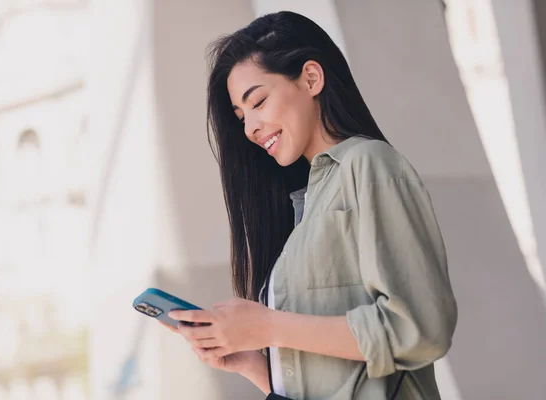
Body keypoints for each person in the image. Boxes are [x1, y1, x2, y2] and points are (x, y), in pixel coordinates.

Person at [162, 10, 458, 400]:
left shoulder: (369, 165)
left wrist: (269, 327)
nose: (250, 127)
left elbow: (422, 329)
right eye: (241, 116)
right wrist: (252, 363)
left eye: (259, 101)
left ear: (311, 78)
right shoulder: (305, 208)